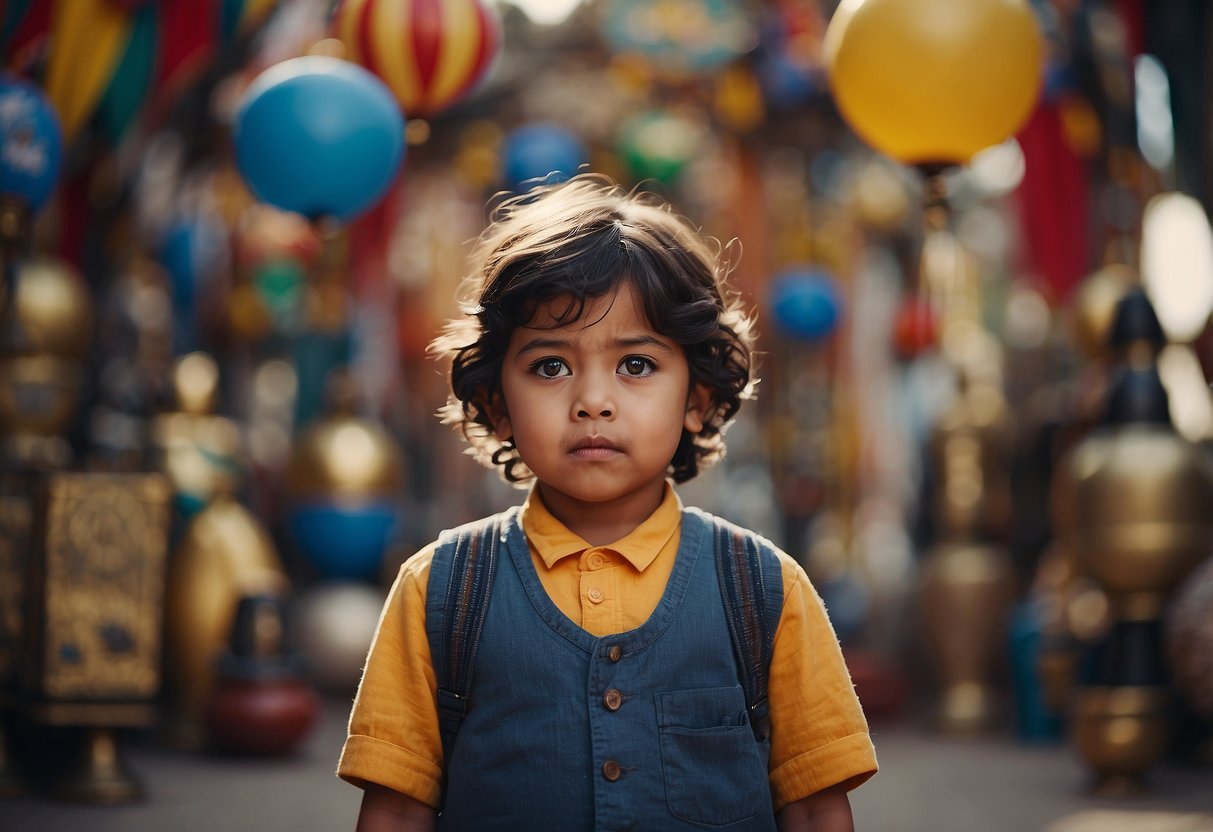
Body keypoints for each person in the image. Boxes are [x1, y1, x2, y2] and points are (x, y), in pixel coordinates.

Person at [338, 173, 877, 831]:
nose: (593, 400)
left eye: (636, 365)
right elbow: (394, 808)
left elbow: (817, 805)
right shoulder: (440, 591)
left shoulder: (763, 591)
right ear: (496, 404)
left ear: (697, 399)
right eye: (549, 367)